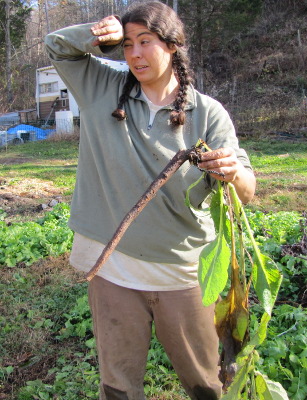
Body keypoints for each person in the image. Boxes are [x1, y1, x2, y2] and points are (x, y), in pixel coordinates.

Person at [45, 1, 256, 399]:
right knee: (119, 386)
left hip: (184, 276)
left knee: (206, 384)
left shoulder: (207, 113)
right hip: (113, 272)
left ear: (173, 45)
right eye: (127, 45)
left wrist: (232, 173)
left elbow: (246, 191)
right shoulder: (102, 88)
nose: (135, 54)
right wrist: (97, 33)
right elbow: (56, 45)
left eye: (146, 41)